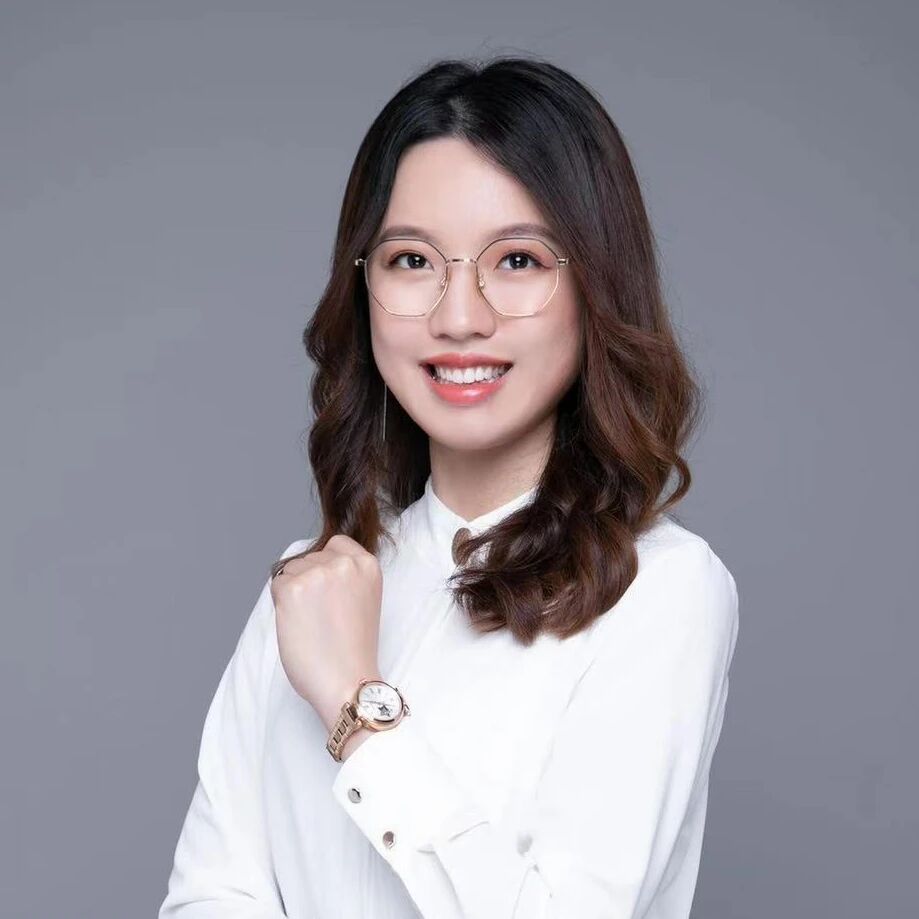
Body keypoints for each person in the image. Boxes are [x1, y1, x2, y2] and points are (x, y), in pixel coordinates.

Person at [158, 55, 740, 919]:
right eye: (411, 260)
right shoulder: (307, 584)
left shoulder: (658, 591)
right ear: (363, 285)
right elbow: (208, 899)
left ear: (595, 284)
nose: (458, 316)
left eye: (517, 260)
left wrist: (357, 705)